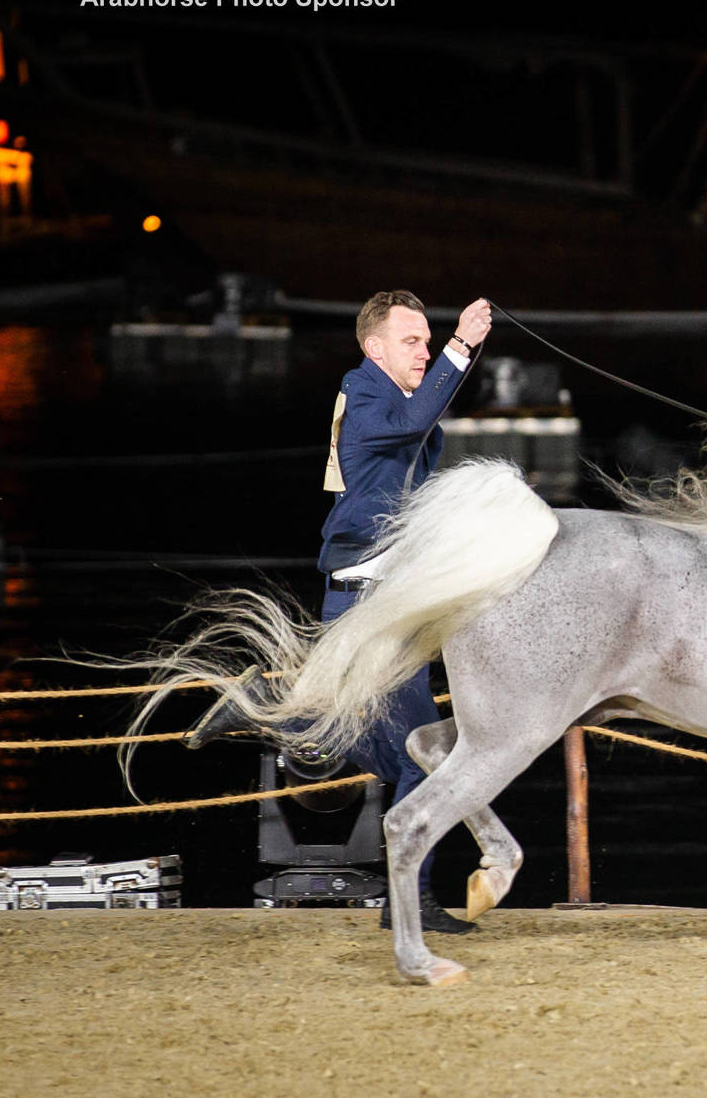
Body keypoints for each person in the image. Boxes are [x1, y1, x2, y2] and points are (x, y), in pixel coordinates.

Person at [190, 289, 493, 935]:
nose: (424, 351)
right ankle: (409, 902)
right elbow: (413, 426)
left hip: (380, 593)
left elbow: (410, 457)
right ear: (373, 346)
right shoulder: (364, 394)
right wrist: (462, 347)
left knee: (405, 758)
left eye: (429, 340)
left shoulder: (382, 400)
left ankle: (266, 709)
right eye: (412, 341)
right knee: (423, 757)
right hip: (369, 596)